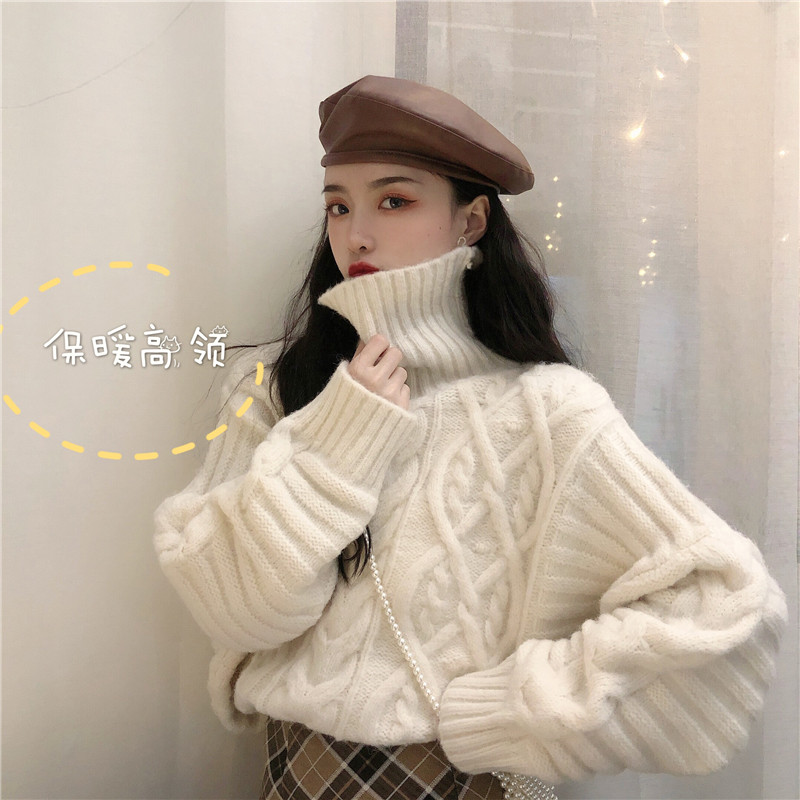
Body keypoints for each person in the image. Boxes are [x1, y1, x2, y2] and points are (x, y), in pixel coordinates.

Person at [153, 75, 787, 800]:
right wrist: (339, 439)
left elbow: (725, 603)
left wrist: (508, 713)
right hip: (298, 773)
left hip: (458, 781)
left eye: (395, 200)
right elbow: (237, 612)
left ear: (472, 220)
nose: (356, 234)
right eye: (338, 205)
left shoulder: (546, 411)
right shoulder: (276, 388)